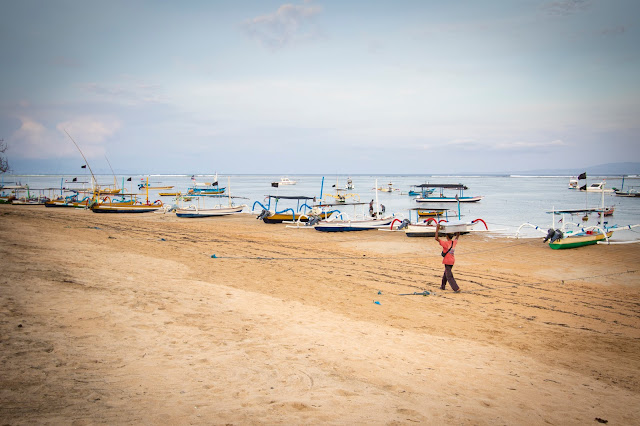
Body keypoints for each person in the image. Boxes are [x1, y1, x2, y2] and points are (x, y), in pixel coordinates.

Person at [435, 223, 461, 292]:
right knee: (446, 273)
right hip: (452, 261)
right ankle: (442, 286)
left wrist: (437, 229)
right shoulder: (453, 243)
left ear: (447, 236)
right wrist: (458, 230)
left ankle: (456, 288)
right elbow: (457, 237)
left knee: (449, 275)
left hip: (447, 261)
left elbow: (436, 238)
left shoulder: (445, 243)